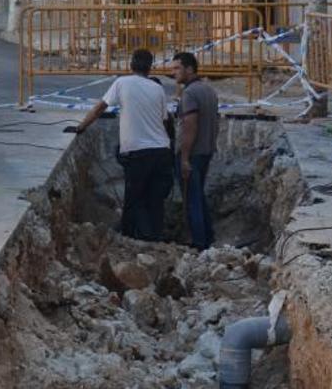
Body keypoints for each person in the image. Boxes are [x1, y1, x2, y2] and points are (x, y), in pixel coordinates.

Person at [66, 50, 172, 241]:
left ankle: (131, 239)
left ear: (131, 65)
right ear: (150, 67)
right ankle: (155, 239)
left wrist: (80, 127)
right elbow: (164, 121)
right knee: (155, 200)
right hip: (161, 151)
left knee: (134, 198)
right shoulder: (158, 89)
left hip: (138, 152)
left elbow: (100, 108)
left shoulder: (122, 83)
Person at [171, 52, 219, 250]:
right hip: (206, 150)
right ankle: (208, 236)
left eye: (177, 68)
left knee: (192, 200)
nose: (173, 73)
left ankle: (199, 243)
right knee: (198, 196)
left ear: (189, 69)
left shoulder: (189, 94)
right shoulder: (209, 90)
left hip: (193, 153)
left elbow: (190, 125)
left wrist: (184, 158)